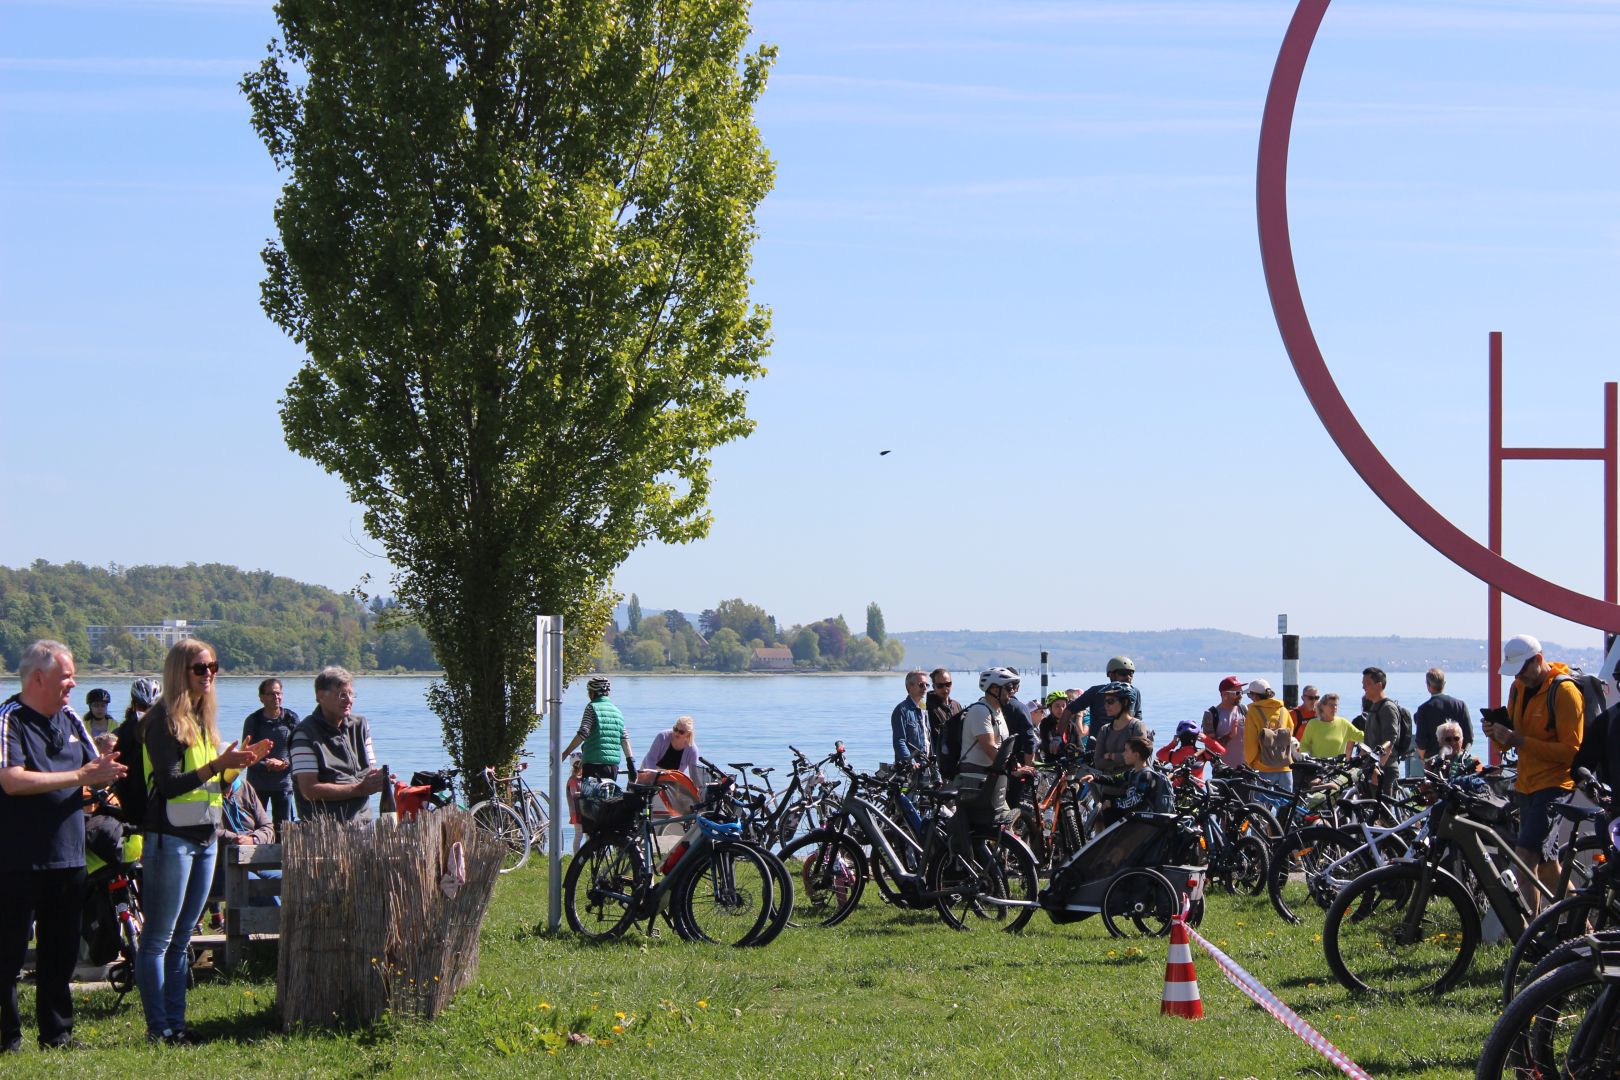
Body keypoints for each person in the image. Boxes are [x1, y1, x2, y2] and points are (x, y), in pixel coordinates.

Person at [136, 639, 266, 1045]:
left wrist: (237, 767)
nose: (209, 674)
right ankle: (159, 1029)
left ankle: (176, 1025)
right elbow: (172, 786)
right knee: (158, 938)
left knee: (182, 938)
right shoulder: (162, 720)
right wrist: (218, 764)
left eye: (213, 667)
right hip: (169, 838)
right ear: (180, 672)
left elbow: (215, 786)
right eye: (200, 668)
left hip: (204, 836)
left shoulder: (202, 717)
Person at [1, 640, 127, 1053]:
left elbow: (93, 773)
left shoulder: (71, 717)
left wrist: (107, 764)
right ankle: (8, 1039)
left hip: (69, 854)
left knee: (60, 952)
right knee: (7, 954)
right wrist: (80, 775)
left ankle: (58, 1035)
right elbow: (12, 780)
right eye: (66, 676)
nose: (73, 683)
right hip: (16, 858)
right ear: (39, 678)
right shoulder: (9, 719)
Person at [1483, 634, 1585, 914]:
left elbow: (1571, 751)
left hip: (1554, 784)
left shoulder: (1565, 693)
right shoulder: (1517, 688)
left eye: (1522, 670)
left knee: (1525, 858)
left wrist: (1518, 741)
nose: (1519, 677)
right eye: (1514, 672)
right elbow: (1512, 739)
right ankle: (1583, 927)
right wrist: (1496, 735)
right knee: (1549, 866)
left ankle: (1528, 933)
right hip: (1526, 783)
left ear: (1538, 661)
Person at [288, 666, 385, 822]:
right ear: (320, 696)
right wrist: (359, 789)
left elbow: (369, 771)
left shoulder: (360, 726)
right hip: (324, 831)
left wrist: (379, 779)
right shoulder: (304, 735)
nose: (348, 700)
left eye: (351, 694)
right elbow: (309, 790)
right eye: (341, 695)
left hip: (362, 823)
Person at [241, 677, 299, 827]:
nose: (276, 697)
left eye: (278, 693)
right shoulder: (253, 721)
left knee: (284, 828)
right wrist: (267, 764)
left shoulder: (291, 719)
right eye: (271, 694)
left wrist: (284, 763)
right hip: (258, 784)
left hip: (283, 784)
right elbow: (245, 755)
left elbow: (300, 751)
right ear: (261, 697)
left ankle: (282, 851)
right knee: (255, 826)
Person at [1082, 735, 1173, 829]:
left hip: (1145, 824)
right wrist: (1095, 777)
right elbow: (1114, 779)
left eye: (1126, 750)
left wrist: (1112, 803)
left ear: (1136, 755)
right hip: (1136, 820)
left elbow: (1135, 800)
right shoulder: (1133, 773)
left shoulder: (1146, 776)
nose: (1123, 754)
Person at [561, 676, 633, 781]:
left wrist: (565, 753)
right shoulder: (617, 711)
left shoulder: (592, 707)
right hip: (613, 766)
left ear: (592, 693)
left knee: (589, 796)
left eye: (589, 692)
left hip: (593, 764)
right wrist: (631, 763)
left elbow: (583, 733)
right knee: (609, 796)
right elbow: (625, 740)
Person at [1243, 678, 1296, 791]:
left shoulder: (1253, 712)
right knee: (1285, 804)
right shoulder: (1283, 710)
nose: (1251, 699)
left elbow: (1250, 741)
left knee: (1260, 805)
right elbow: (1290, 731)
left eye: (1250, 695)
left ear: (1255, 696)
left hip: (1264, 767)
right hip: (1285, 766)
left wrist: (1250, 762)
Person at [1070, 656, 1143, 737]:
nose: (1128, 677)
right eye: (1123, 673)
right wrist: (1058, 737)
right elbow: (1069, 710)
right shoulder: (1096, 692)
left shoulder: (1135, 693)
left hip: (1125, 747)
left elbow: (1138, 719)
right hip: (1095, 746)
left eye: (1131, 674)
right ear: (1111, 675)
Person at [1358, 667, 1403, 796]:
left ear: (1379, 685)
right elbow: (1368, 741)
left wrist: (1378, 767)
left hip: (1385, 769)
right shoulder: (1373, 707)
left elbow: (1390, 739)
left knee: (1383, 812)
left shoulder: (1387, 708)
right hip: (1370, 768)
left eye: (1367, 684)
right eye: (1363, 684)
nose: (1363, 687)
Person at [1414, 667, 1473, 760]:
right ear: (1444, 684)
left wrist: (1424, 759)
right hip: (1458, 762)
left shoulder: (1423, 710)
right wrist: (1461, 756)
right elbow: (1469, 738)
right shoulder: (1461, 705)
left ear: (1428, 685)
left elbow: (1421, 742)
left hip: (1434, 763)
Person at [1090, 681, 1148, 774]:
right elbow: (1098, 762)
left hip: (1129, 784)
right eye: (1105, 702)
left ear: (1124, 702)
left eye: (1110, 701)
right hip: (1106, 784)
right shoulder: (1105, 729)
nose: (1106, 705)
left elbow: (1138, 758)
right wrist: (1124, 758)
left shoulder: (1137, 726)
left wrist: (1110, 756)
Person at [1201, 675, 1247, 769]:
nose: (1241, 695)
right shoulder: (1211, 715)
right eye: (1237, 693)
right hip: (1223, 772)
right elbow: (1210, 749)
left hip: (1246, 770)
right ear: (1225, 694)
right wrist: (1230, 735)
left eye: (1242, 692)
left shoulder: (1244, 710)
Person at [1299, 692, 1363, 759]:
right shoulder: (1313, 724)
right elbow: (1304, 744)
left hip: (1338, 767)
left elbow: (1361, 736)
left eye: (1336, 705)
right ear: (1322, 706)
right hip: (1317, 766)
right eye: (1331, 705)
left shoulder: (1343, 723)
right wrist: (1305, 754)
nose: (1334, 708)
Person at [639, 716, 701, 785]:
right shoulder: (662, 736)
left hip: (672, 779)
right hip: (650, 770)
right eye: (675, 729)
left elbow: (694, 774)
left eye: (681, 732)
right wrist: (655, 775)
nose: (677, 733)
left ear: (688, 734)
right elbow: (650, 758)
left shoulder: (692, 750)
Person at [888, 671, 931, 770]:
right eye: (921, 685)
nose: (925, 688)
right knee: (906, 786)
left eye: (927, 685)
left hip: (925, 764)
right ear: (910, 686)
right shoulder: (902, 710)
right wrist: (909, 761)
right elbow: (899, 741)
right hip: (909, 768)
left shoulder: (925, 709)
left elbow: (928, 739)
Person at [925, 669, 961, 759]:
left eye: (948, 684)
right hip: (940, 759)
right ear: (934, 686)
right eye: (940, 685)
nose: (945, 689)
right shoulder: (929, 708)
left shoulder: (956, 705)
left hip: (957, 756)